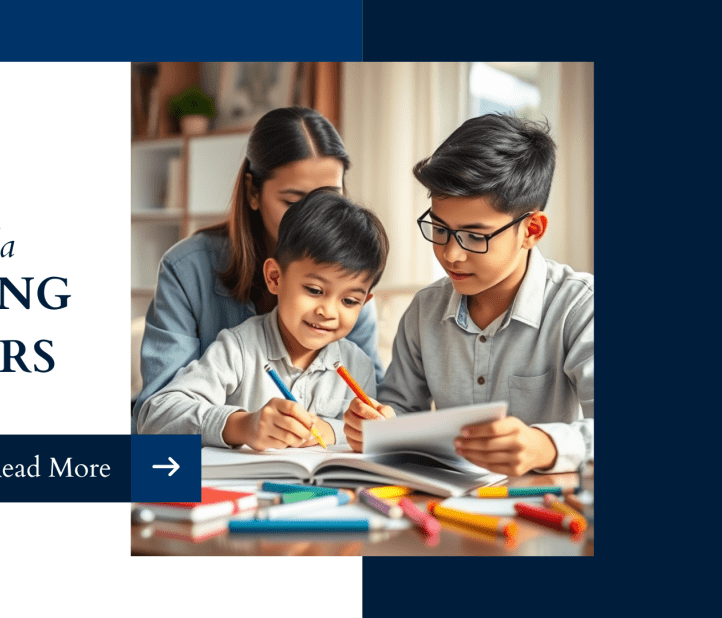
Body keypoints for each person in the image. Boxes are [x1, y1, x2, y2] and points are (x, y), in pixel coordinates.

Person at [344, 113, 593, 476]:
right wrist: (377, 423)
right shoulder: (424, 310)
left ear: (532, 229)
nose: (451, 254)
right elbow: (398, 408)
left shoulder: (579, 305)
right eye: (440, 229)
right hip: (444, 505)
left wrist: (544, 446)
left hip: (542, 506)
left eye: (475, 236)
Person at [131, 106, 383, 434]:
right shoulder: (188, 270)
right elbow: (158, 412)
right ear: (253, 192)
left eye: (328, 197)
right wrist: (240, 424)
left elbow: (373, 404)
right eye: (294, 201)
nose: (314, 217)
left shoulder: (347, 290)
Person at [136, 189, 388, 449]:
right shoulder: (238, 349)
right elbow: (156, 416)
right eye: (314, 290)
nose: (329, 312)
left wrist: (341, 430)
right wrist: (241, 425)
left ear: (365, 303)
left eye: (349, 301)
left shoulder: (358, 366)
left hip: (322, 490)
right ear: (275, 277)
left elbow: (364, 440)